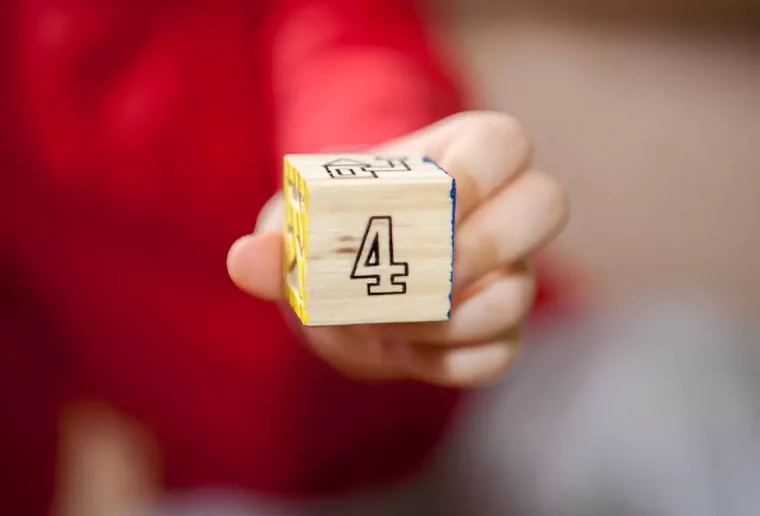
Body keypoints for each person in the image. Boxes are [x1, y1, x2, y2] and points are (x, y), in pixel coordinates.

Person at [0, 1, 571, 514]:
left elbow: (349, 50)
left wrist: (373, 165)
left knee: (645, 391)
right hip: (234, 482)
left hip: (503, 374)